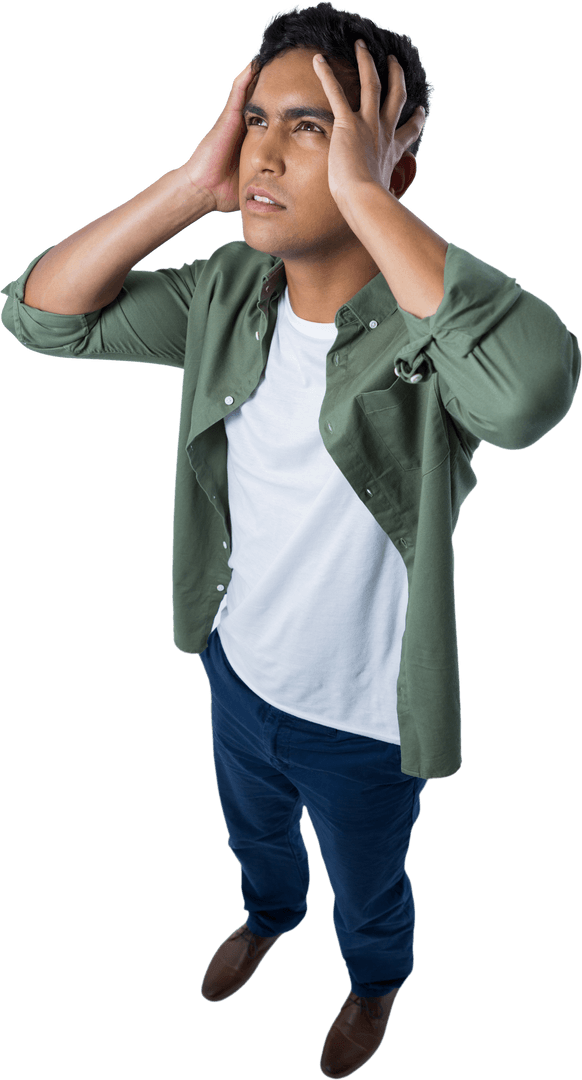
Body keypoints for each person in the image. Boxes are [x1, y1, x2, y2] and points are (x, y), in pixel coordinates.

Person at [1, 3, 579, 1076]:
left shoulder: (429, 335)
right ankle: (268, 915)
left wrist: (363, 194)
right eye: (258, 118)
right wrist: (190, 185)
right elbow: (44, 316)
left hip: (359, 718)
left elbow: (532, 392)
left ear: (394, 160)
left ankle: (374, 982)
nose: (265, 148)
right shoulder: (229, 293)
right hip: (236, 670)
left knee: (369, 883)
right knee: (257, 838)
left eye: (315, 127)